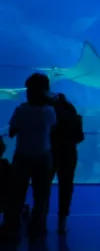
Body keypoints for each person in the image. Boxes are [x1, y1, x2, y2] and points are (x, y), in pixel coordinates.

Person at [3, 73, 57, 240]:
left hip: (22, 157)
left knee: (16, 193)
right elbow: (53, 129)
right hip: (43, 157)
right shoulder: (49, 111)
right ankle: (38, 226)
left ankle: (12, 226)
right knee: (41, 195)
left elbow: (12, 132)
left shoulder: (20, 110)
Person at [49, 91, 84, 235]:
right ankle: (62, 221)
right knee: (66, 186)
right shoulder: (71, 112)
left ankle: (39, 219)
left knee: (43, 186)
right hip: (69, 153)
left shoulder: (49, 112)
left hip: (50, 152)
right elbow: (79, 137)